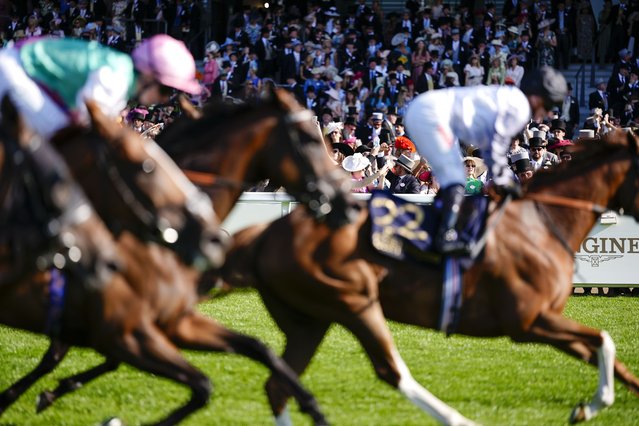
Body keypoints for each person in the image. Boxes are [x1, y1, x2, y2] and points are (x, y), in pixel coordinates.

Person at [404, 66, 567, 255]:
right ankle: (444, 238)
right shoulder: (519, 107)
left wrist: (503, 178)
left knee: (454, 177)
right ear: (537, 98)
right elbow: (496, 144)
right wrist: (504, 180)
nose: (548, 114)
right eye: (549, 106)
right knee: (455, 177)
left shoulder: (514, 100)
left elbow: (491, 148)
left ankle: (441, 228)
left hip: (428, 111)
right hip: (430, 115)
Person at [0, 34, 201, 140]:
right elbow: (83, 128)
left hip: (21, 69)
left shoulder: (122, 77)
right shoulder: (116, 79)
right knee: (62, 136)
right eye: (166, 90)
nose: (166, 99)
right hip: (14, 70)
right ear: (148, 76)